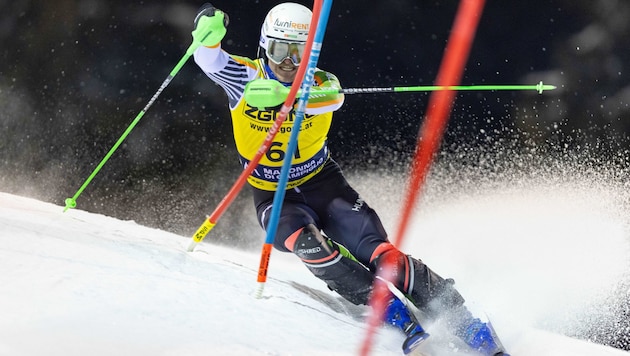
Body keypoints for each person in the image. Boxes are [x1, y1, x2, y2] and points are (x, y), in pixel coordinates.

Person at [191, 3, 508, 355]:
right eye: (280, 50)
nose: (288, 62)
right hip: (274, 195)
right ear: (265, 46)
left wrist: (289, 97)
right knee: (310, 247)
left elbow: (332, 100)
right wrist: (207, 36)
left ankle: (468, 322)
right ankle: (394, 314)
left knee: (383, 256)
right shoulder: (246, 77)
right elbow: (210, 61)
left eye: (298, 52)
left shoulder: (321, 82)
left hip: (324, 185)